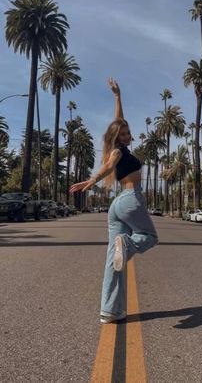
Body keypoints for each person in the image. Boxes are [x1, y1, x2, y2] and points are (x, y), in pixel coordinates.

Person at [70, 77, 158, 324]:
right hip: (130, 199)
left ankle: (109, 310)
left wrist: (117, 96)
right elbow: (108, 168)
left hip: (117, 205)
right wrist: (89, 182)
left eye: (129, 132)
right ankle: (127, 245)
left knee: (113, 261)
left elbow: (118, 121)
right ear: (117, 138)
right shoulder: (118, 152)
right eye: (125, 133)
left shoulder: (118, 146)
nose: (129, 135)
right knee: (150, 237)